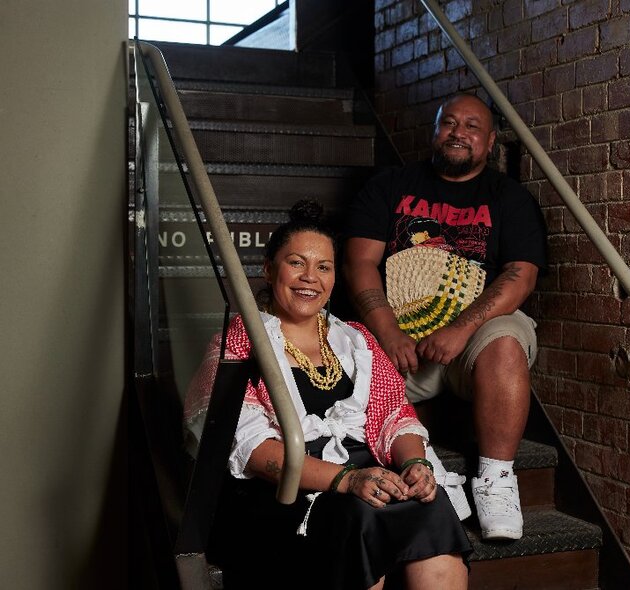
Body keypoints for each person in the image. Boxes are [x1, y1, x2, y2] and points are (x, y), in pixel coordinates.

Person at [183, 201, 470, 589]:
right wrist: (348, 481)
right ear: (269, 269)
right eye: (296, 263)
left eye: (323, 267)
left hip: (365, 472)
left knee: (430, 505)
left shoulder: (355, 340)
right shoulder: (238, 343)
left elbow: (394, 416)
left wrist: (416, 464)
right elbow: (254, 451)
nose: (310, 278)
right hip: (281, 490)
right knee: (359, 516)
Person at [344, 93, 547, 541]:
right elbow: (359, 263)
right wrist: (389, 332)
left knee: (507, 338)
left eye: (472, 126)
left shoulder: (507, 197)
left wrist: (460, 328)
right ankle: (427, 468)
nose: (458, 132)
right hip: (401, 346)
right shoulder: (390, 185)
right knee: (347, 353)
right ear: (435, 131)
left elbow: (521, 277)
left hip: (470, 343)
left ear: (490, 141)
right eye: (449, 123)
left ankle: (495, 479)